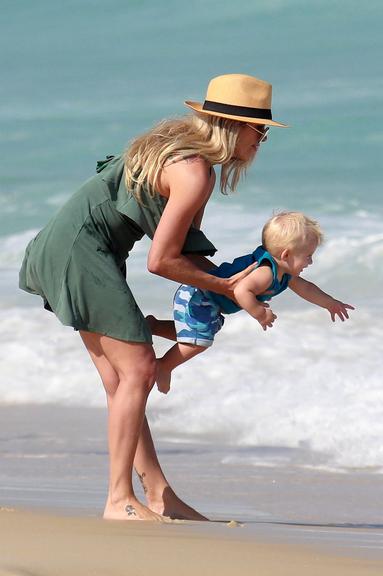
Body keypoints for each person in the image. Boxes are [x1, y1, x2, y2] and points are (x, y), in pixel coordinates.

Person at [19, 73, 287, 521]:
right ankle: (118, 499)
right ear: (233, 127)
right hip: (81, 252)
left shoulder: (187, 156)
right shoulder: (193, 171)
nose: (261, 141)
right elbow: (161, 262)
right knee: (140, 369)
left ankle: (158, 492)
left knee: (121, 379)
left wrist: (238, 285)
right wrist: (225, 288)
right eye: (259, 131)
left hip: (69, 247)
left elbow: (183, 255)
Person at [148, 211, 354, 394]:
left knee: (198, 333)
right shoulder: (265, 272)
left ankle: (153, 326)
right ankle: (164, 366)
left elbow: (307, 288)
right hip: (199, 296)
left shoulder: (285, 273)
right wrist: (259, 313)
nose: (310, 262)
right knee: (199, 342)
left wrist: (330, 303)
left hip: (207, 300)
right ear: (286, 255)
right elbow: (241, 290)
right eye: (308, 256)